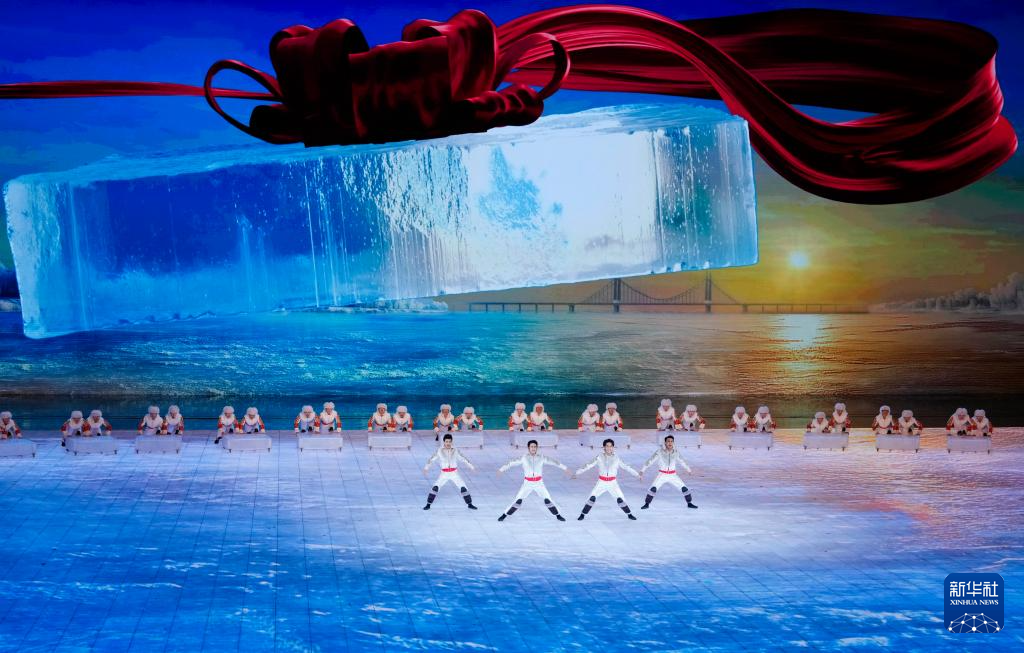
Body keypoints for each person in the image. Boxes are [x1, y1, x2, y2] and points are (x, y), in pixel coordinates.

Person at [497, 440, 570, 521]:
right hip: (527, 483)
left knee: (548, 499)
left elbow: (554, 462)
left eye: (535, 447)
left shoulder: (541, 457)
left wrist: (565, 468)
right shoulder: (524, 458)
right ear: (528, 448)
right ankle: (504, 515)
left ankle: (558, 515)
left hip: (539, 483)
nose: (533, 448)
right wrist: (501, 469)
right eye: (531, 447)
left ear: (537, 448)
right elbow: (511, 463)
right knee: (517, 500)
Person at [573, 438, 641, 520]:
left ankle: (629, 514)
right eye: (607, 446)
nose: (609, 448)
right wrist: (577, 472)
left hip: (613, 483)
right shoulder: (599, 457)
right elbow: (588, 465)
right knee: (592, 498)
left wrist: (637, 474)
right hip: (601, 482)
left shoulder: (617, 458)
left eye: (611, 446)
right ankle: (583, 514)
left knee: (620, 499)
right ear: (604, 447)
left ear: (613, 447)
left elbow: (626, 467)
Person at [639, 434, 698, 510]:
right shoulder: (659, 452)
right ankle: (647, 504)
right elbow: (650, 461)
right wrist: (642, 470)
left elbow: (682, 461)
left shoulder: (676, 452)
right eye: (668, 441)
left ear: (673, 442)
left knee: (684, 488)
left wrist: (688, 469)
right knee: (653, 488)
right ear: (665, 443)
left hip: (673, 475)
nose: (670, 443)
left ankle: (689, 503)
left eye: (671, 441)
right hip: (662, 474)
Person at [422, 433, 477, 510]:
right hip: (444, 474)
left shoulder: (455, 450)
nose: (448, 443)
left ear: (452, 442)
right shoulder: (439, 451)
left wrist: (471, 467)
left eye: (449, 442)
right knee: (435, 487)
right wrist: (426, 468)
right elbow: (431, 459)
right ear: (444, 442)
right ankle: (428, 504)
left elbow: (463, 458)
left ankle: (469, 504)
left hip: (454, 473)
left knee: (463, 487)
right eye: (446, 442)